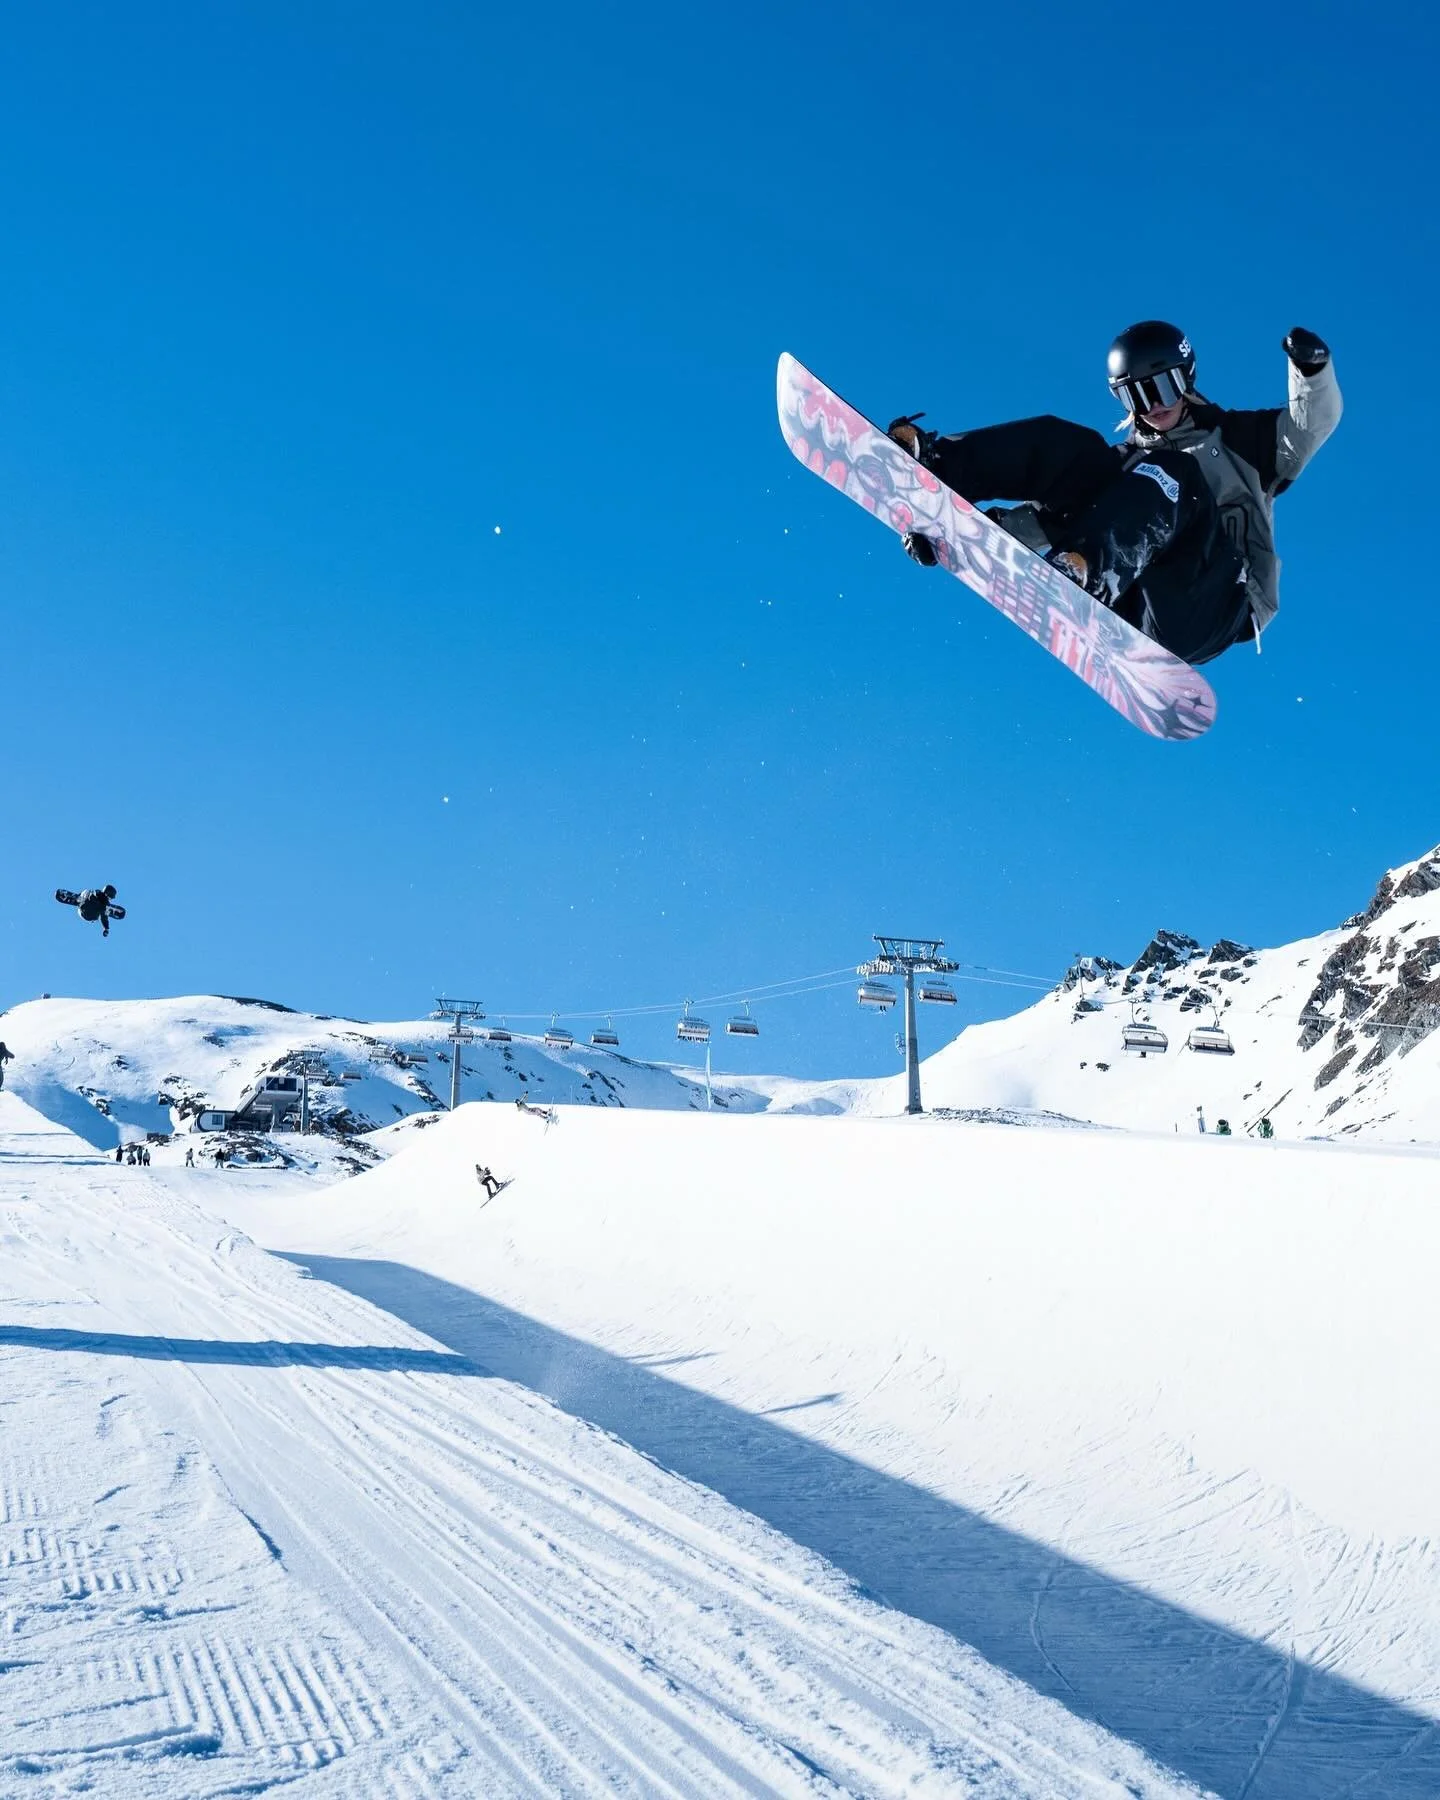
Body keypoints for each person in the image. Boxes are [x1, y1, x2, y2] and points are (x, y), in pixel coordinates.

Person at [889, 322, 1342, 666]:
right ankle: (935, 462)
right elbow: (1054, 520)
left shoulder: (1244, 440)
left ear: (1187, 379)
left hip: (1212, 604)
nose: (1155, 405)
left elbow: (1308, 427)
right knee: (1069, 445)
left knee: (1173, 475)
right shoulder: (1122, 468)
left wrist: (1312, 373)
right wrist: (960, 535)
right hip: (1130, 600)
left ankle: (1088, 570)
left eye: (1164, 387)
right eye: (1137, 396)